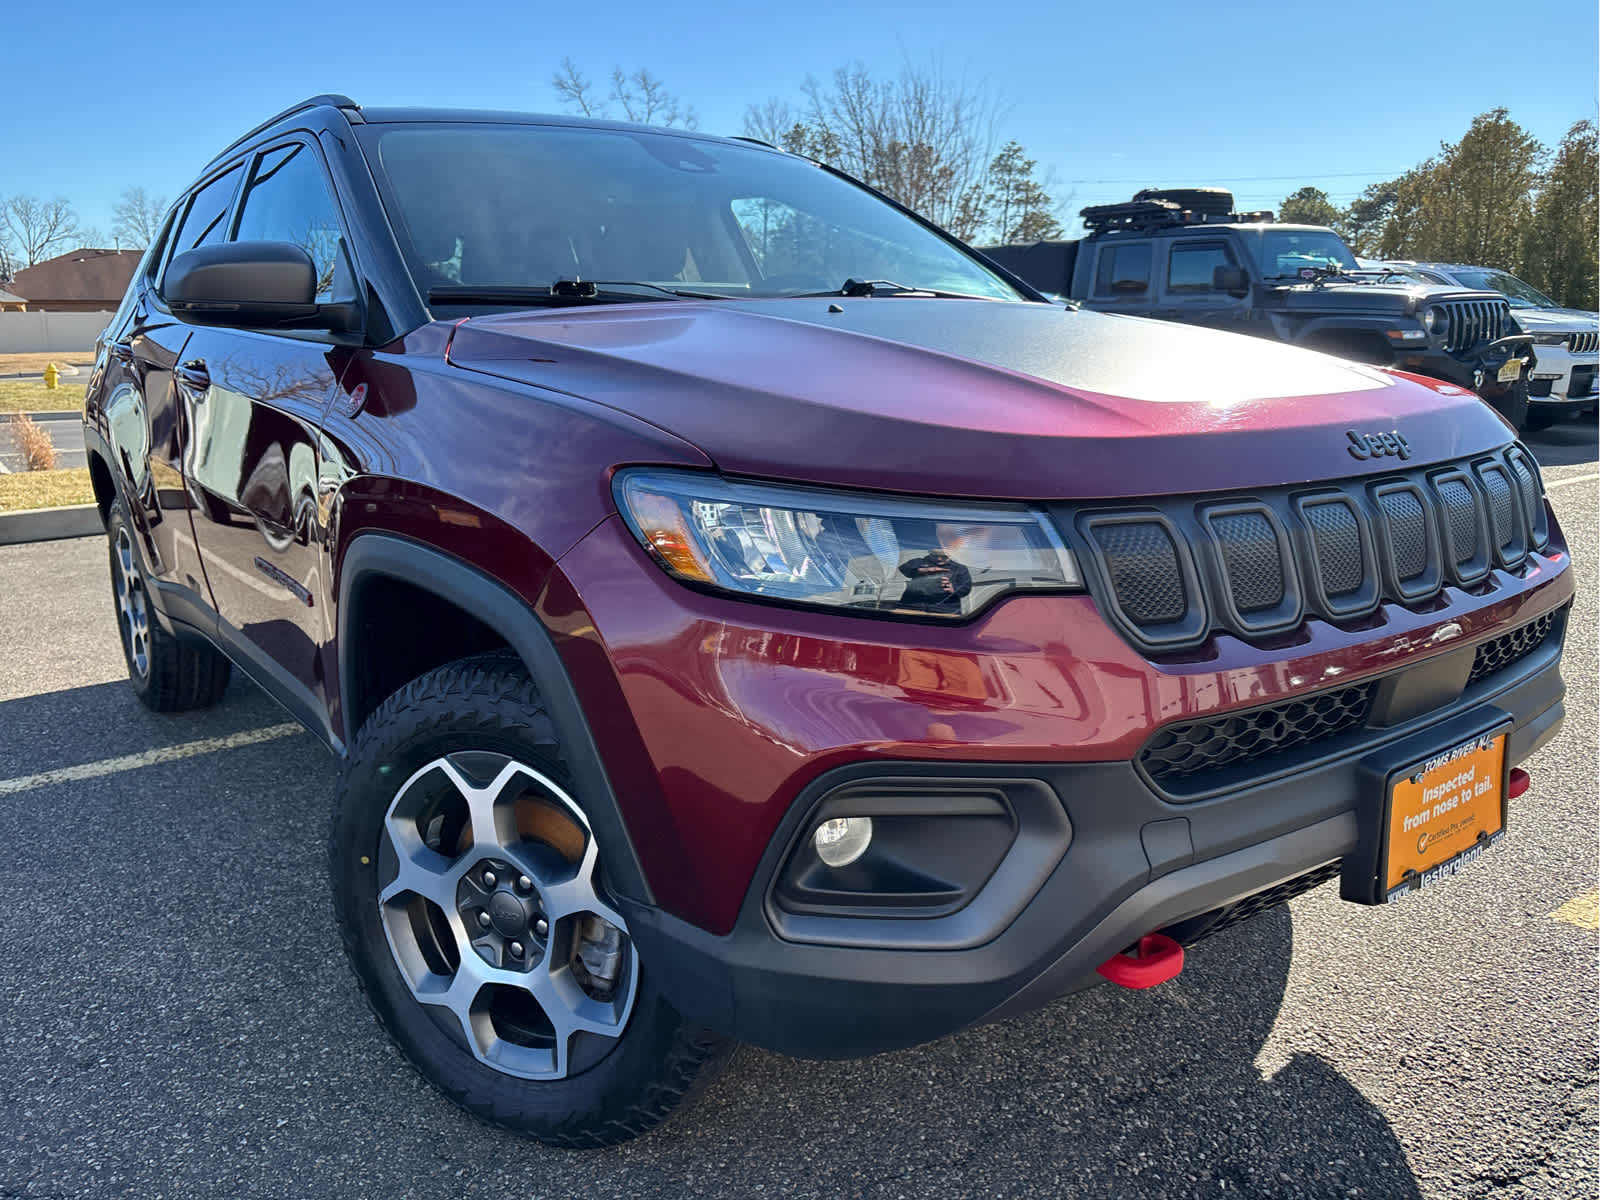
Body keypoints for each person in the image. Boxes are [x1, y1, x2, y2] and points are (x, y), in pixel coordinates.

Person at [897, 547, 972, 614]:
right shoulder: (919, 561)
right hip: (911, 606)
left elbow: (966, 588)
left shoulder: (959, 568)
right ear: (930, 553)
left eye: (944, 556)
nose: (939, 559)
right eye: (935, 555)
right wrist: (920, 570)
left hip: (945, 609)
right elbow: (903, 568)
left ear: (950, 555)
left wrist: (954, 588)